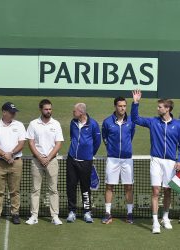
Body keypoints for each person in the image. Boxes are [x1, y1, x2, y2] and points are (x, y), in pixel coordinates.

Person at [131, 89, 180, 234]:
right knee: (155, 190)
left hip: (171, 162)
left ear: (168, 109)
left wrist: (179, 160)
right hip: (156, 160)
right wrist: (135, 103)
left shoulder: (178, 125)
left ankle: (165, 217)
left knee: (167, 190)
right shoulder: (153, 121)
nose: (157, 108)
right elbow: (135, 119)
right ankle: (155, 222)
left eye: (160, 107)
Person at [25, 99, 64, 225]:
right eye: (46, 109)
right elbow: (30, 142)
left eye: (50, 109)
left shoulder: (56, 124)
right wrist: (40, 157)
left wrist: (48, 157)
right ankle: (34, 216)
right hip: (37, 161)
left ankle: (54, 216)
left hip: (52, 161)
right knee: (35, 189)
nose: (48, 111)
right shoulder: (33, 124)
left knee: (53, 189)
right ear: (41, 109)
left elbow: (58, 143)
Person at [0, 102, 26, 224]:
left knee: (15, 190)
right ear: (4, 112)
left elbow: (21, 143)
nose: (13, 114)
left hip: (15, 162)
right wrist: (5, 155)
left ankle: (15, 213)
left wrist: (11, 154)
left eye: (14, 112)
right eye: (11, 112)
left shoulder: (19, 125)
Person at [101, 96, 135, 224]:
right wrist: (111, 148)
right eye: (120, 106)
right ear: (115, 106)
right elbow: (104, 136)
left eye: (124, 106)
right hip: (112, 159)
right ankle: (108, 213)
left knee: (128, 186)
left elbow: (131, 135)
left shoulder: (131, 121)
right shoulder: (107, 122)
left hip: (127, 159)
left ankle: (130, 213)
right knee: (109, 186)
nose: (122, 108)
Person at [66, 103, 101, 223]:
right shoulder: (73, 122)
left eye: (74, 111)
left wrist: (89, 154)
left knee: (85, 188)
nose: (73, 113)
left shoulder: (94, 124)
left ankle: (87, 212)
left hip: (86, 162)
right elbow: (72, 137)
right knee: (71, 186)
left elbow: (97, 142)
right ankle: (72, 211)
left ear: (81, 112)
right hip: (72, 160)